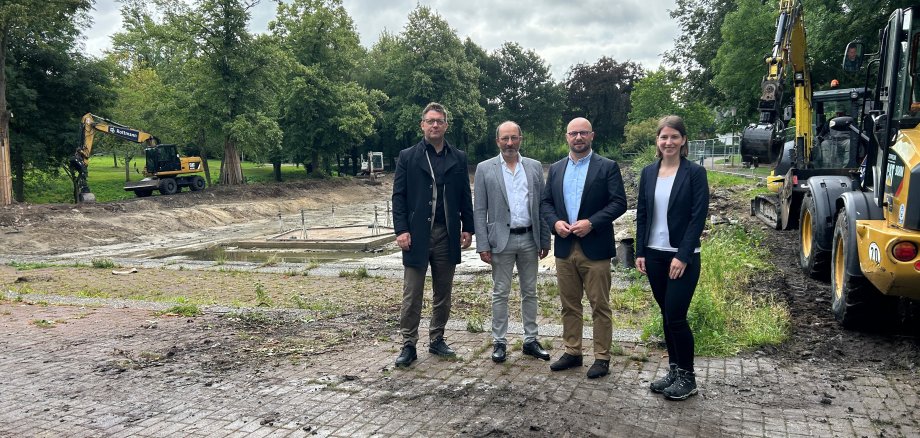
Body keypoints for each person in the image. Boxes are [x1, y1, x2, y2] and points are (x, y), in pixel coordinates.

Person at [540, 117, 627, 379]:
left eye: (583, 133)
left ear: (592, 136)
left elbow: (619, 203)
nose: (578, 138)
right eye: (573, 133)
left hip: (595, 247)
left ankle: (601, 357)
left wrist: (592, 222)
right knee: (569, 304)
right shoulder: (555, 169)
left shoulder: (607, 167)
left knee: (599, 304)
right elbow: (545, 203)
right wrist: (555, 223)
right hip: (565, 248)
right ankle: (572, 351)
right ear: (566, 137)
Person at [392, 102, 474, 367]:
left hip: (446, 234)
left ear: (446, 125)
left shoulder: (458, 157)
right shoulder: (408, 156)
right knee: (412, 292)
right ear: (422, 125)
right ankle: (408, 344)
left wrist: (468, 227)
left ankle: (437, 339)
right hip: (416, 235)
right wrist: (401, 230)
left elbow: (464, 195)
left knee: (443, 292)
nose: (435, 125)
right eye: (430, 121)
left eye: (439, 121)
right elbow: (399, 197)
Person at [635, 115, 709, 401]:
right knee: (666, 316)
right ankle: (674, 370)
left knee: (676, 317)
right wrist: (640, 251)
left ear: (683, 140)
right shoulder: (648, 173)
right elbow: (642, 213)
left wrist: (683, 255)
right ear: (657, 141)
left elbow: (697, 217)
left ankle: (688, 377)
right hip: (653, 255)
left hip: (682, 257)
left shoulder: (694, 173)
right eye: (663, 137)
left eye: (674, 137)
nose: (668, 142)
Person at [473, 121, 552, 363]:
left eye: (513, 138)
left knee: (530, 292)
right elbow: (480, 209)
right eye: (505, 138)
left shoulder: (535, 167)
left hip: (529, 238)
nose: (509, 143)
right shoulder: (485, 169)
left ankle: (530, 340)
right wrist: (482, 244)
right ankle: (499, 341)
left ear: (521, 139)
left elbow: (542, 205)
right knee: (500, 293)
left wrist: (544, 238)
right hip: (500, 241)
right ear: (497, 141)